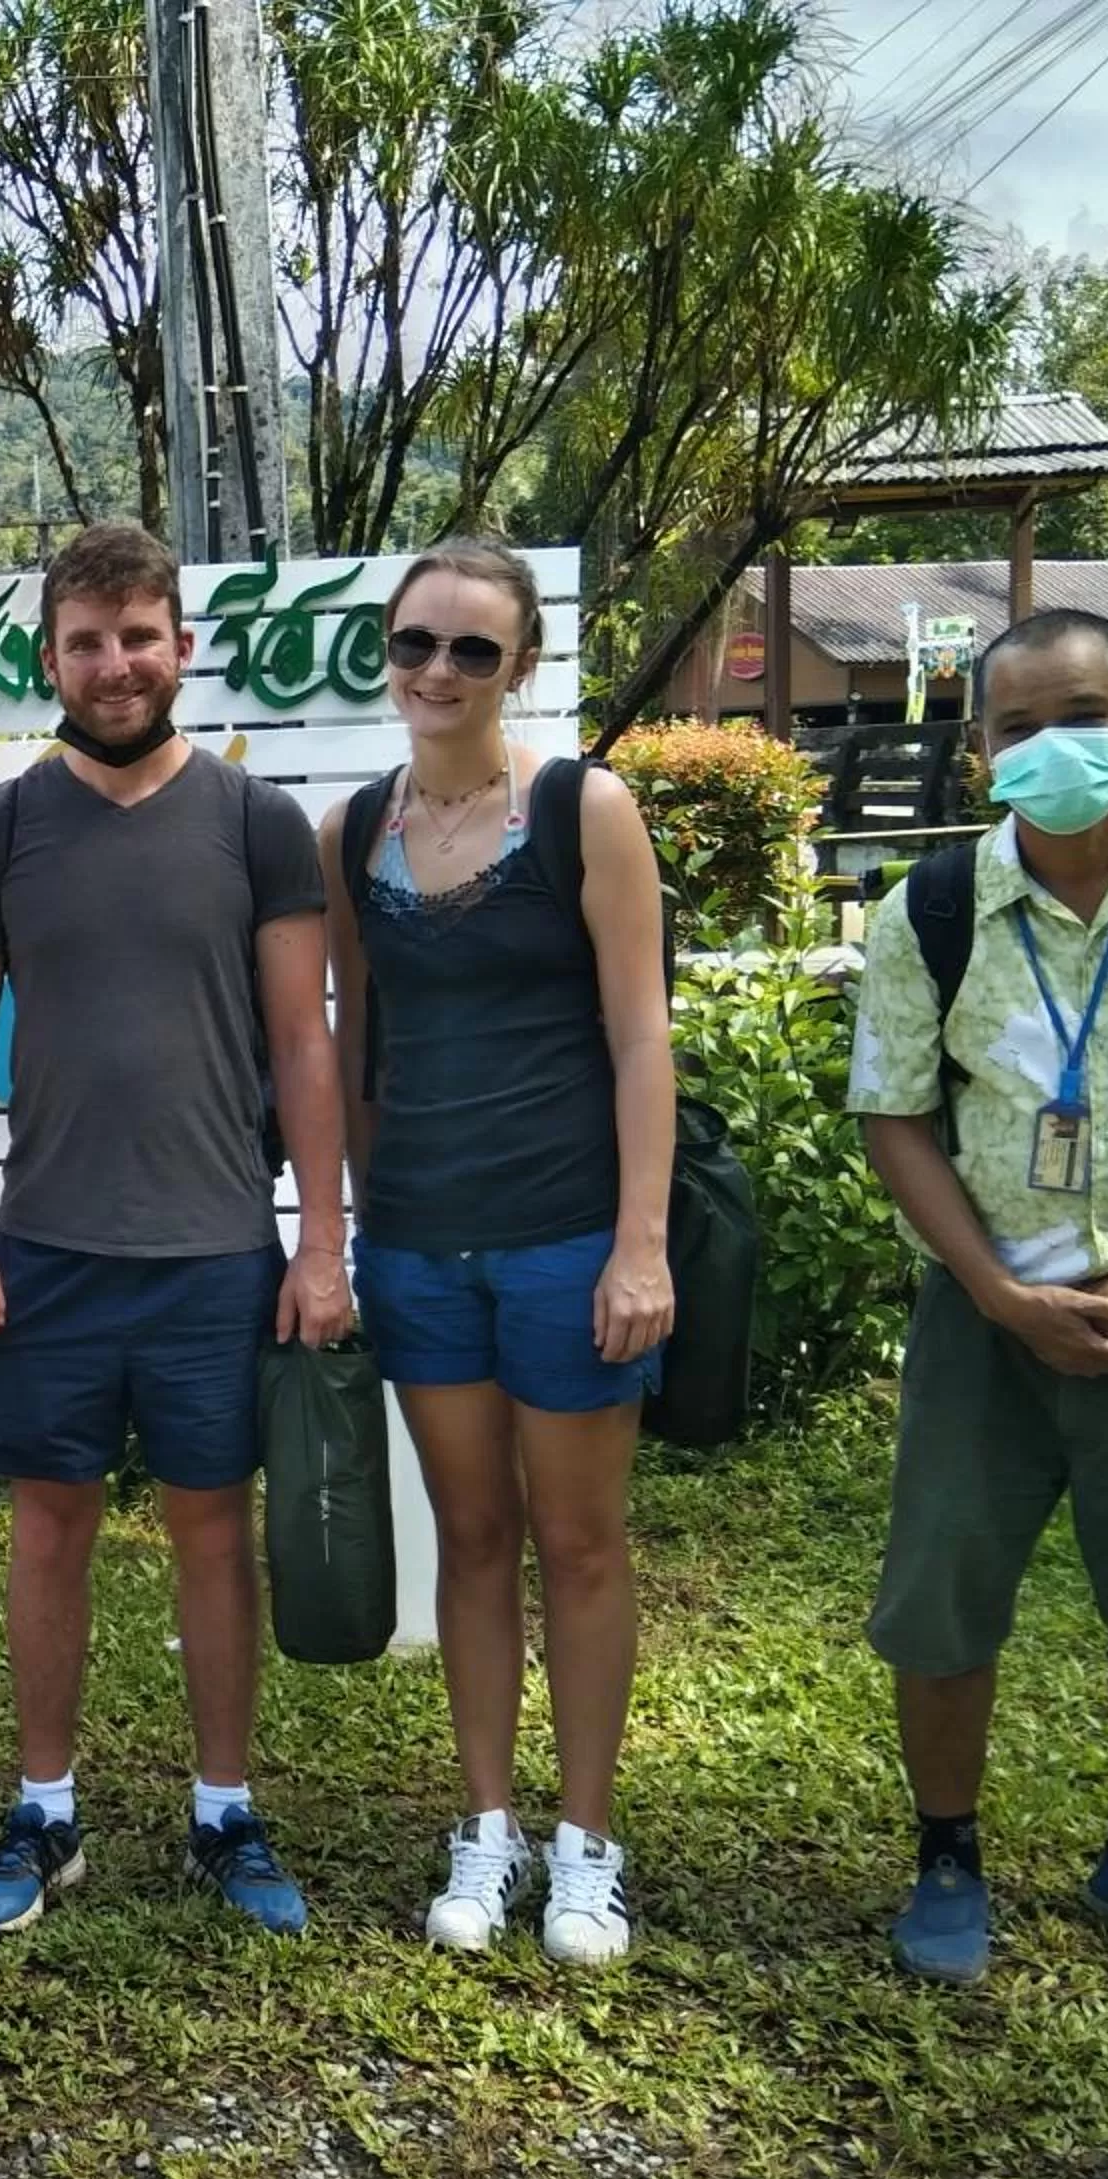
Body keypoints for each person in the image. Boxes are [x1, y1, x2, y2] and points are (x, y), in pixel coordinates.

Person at [0, 520, 354, 1938]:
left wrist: (318, 1242)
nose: (117, 664)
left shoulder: (256, 824)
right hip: (48, 1247)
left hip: (216, 1248)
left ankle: (224, 1809)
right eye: (89, 641)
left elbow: (304, 1045)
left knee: (211, 1530)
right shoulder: (1, 827)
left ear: (183, 647)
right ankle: (43, 1808)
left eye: (140, 636)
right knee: (48, 1529)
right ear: (49, 657)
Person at [848, 608, 1108, 1991]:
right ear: (980, 750)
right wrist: (1002, 1294)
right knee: (942, 1600)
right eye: (1018, 725)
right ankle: (947, 1855)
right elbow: (897, 1116)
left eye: (1083, 713)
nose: (1055, 745)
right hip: (986, 1325)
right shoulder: (933, 914)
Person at [315, 538, 673, 1967]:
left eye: (473, 648)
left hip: (569, 1235)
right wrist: (334, 1230)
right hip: (416, 1243)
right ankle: (488, 1824)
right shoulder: (354, 830)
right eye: (417, 644)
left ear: (518, 663)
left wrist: (639, 1243)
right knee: (469, 1537)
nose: (440, 671)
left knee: (581, 1543)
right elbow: (350, 1041)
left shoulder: (587, 809)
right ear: (388, 656)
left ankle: (586, 1843)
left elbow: (642, 1034)